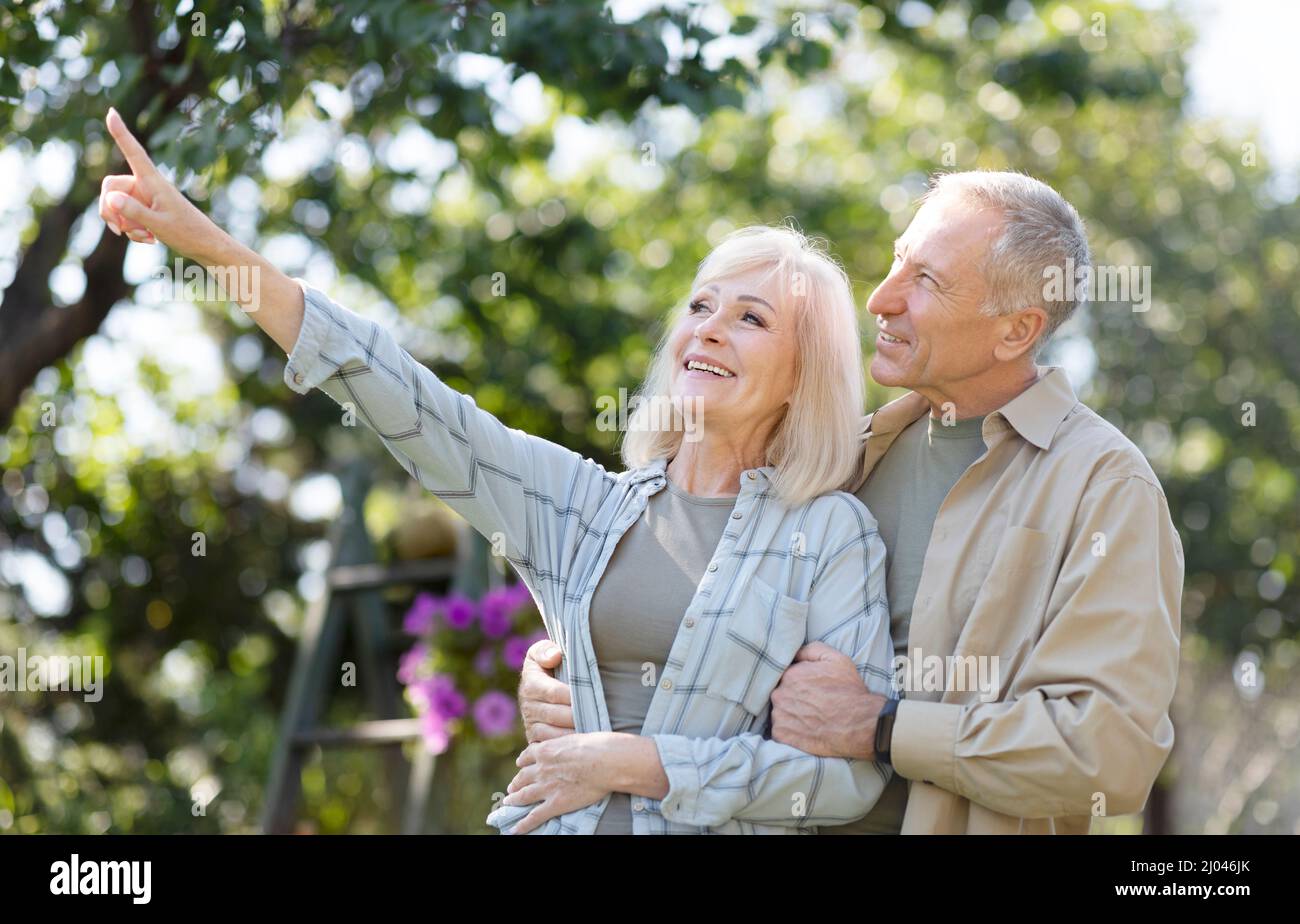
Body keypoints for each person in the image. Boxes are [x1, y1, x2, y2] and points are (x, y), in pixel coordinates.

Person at [98, 108, 895, 834]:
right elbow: (403, 397)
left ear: (802, 375)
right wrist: (209, 246)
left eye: (750, 318)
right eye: (700, 306)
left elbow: (845, 780)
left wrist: (634, 763)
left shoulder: (828, 534)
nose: (709, 330)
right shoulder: (587, 507)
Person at [520, 171, 1184, 835]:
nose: (880, 299)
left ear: (1015, 331)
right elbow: (691, 618)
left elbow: (1109, 753)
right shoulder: (835, 459)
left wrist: (881, 728)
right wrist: (568, 677)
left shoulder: (1104, 488)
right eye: (898, 260)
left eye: (926, 280)